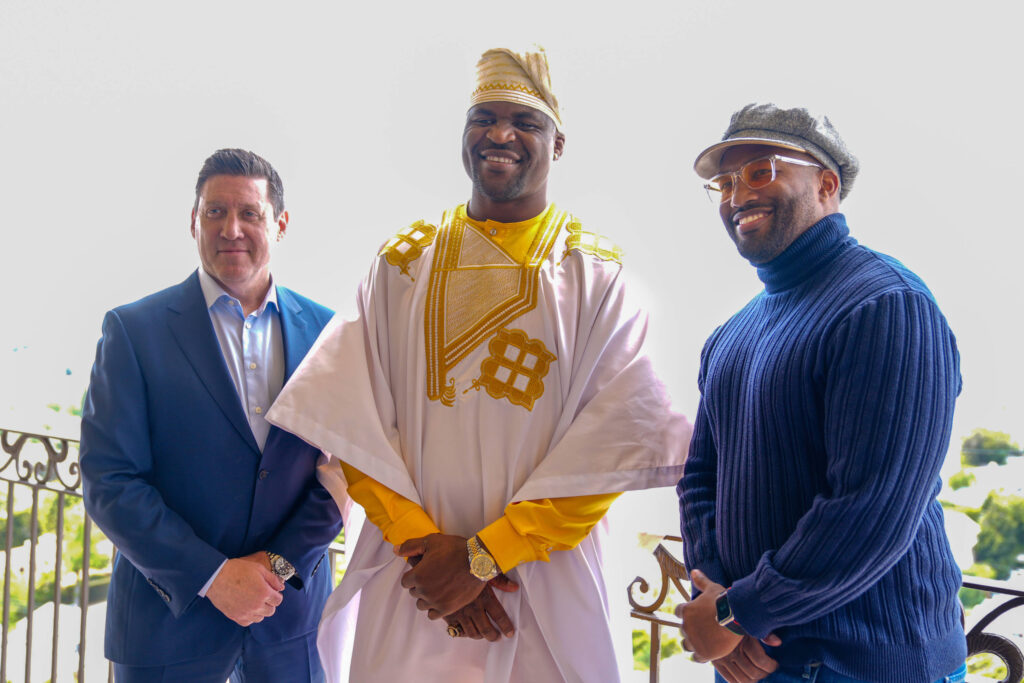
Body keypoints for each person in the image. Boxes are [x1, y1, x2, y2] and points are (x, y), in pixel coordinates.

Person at [267, 46, 690, 681]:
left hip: (541, 586)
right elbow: (350, 424)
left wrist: (484, 558)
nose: (500, 134)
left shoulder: (598, 280)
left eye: (525, 121)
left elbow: (612, 448)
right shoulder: (400, 265)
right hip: (415, 585)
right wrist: (427, 555)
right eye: (483, 117)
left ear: (559, 144)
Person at [676, 103, 967, 683]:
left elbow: (871, 505)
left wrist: (737, 614)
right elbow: (701, 479)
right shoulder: (730, 335)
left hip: (869, 666)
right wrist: (718, 602)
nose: (737, 196)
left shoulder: (885, 305)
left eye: (761, 171)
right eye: (726, 182)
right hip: (754, 663)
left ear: (827, 184)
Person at [80, 148, 344, 682]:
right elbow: (110, 479)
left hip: (290, 620)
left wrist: (277, 568)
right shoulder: (134, 331)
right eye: (215, 212)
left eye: (250, 213)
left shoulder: (327, 333)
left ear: (280, 224)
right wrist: (213, 576)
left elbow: (342, 470)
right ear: (193, 221)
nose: (232, 229)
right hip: (167, 623)